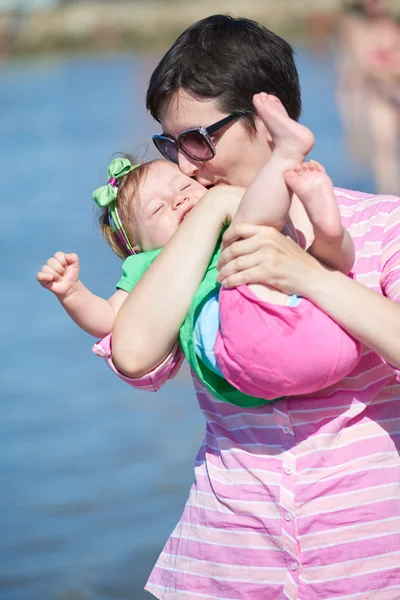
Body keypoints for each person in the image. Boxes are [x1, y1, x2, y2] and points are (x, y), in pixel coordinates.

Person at [90, 15, 400, 599]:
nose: (184, 165)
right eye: (170, 143)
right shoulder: (188, 245)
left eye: (198, 139)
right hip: (227, 565)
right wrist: (212, 214)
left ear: (267, 118)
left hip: (372, 565)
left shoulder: (381, 224)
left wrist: (310, 276)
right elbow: (134, 355)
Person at [37, 93, 360, 408]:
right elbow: (109, 319)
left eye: (183, 188)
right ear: (136, 246)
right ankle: (295, 174)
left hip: (310, 329)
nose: (177, 200)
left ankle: (324, 225)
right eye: (157, 209)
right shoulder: (147, 265)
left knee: (300, 251)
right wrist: (72, 293)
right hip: (249, 343)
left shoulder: (225, 218)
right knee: (258, 231)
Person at [337, 0, 400, 192]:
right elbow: (364, 65)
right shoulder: (359, 31)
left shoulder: (394, 26)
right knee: (383, 148)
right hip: (380, 95)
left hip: (393, 86)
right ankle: (390, 196)